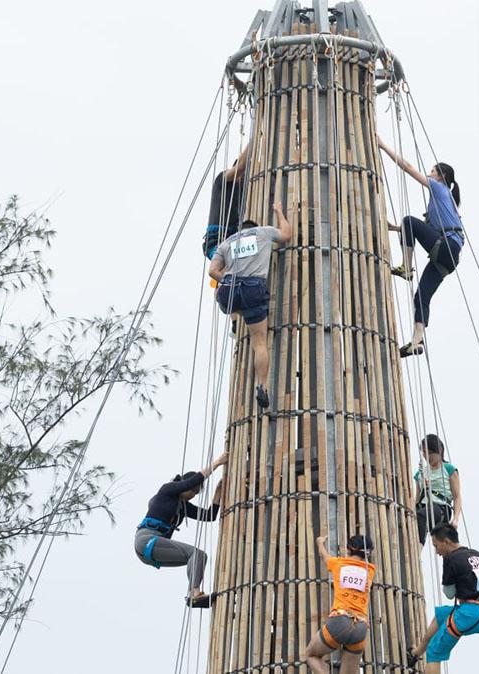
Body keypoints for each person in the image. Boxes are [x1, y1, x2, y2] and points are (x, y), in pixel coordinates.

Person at [375, 135, 464, 358]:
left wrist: (383, 146)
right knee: (421, 295)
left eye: (432, 172)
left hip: (446, 246)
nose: (429, 174)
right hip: (448, 255)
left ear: (441, 176)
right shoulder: (444, 203)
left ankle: (406, 267)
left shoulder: (439, 189)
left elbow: (407, 167)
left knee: (408, 220)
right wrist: (394, 228)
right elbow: (420, 231)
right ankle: (416, 342)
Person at [208, 204, 295, 409]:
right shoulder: (264, 232)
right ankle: (262, 386)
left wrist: (229, 280)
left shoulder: (227, 243)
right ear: (253, 227)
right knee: (259, 341)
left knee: (223, 296)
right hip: (253, 288)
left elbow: (212, 271)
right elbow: (286, 235)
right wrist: (279, 212)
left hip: (229, 289)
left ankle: (236, 319)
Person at [134, 451, 229, 608]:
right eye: (192, 490)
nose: (192, 495)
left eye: (196, 493)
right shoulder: (168, 490)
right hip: (147, 540)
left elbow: (209, 515)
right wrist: (217, 463)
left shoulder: (183, 506)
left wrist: (219, 492)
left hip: (149, 553)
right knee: (196, 554)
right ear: (185, 484)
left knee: (198, 558)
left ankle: (194, 594)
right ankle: (195, 593)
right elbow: (194, 480)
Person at [408, 523, 479, 672]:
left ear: (446, 542)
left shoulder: (451, 559)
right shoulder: (476, 554)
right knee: (441, 614)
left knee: (435, 652)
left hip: (468, 614)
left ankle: (424, 654)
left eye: (436, 546)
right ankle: (415, 653)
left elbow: (449, 594)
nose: (437, 552)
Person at [301, 533, 378, 674]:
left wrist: (320, 542)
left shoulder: (339, 564)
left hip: (340, 621)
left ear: (350, 548)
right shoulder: (370, 570)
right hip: (361, 626)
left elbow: (324, 556)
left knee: (311, 655)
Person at [411, 434, 463, 546]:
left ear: (439, 451)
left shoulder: (448, 469)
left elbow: (457, 496)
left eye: (430, 453)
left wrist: (455, 519)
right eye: (424, 453)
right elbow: (417, 498)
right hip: (423, 507)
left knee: (422, 517)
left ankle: (418, 546)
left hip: (440, 508)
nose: (427, 456)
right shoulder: (420, 474)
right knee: (414, 517)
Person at [202, 144, 250, 261]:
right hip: (216, 242)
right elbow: (240, 168)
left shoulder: (244, 195)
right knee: (225, 264)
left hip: (233, 243)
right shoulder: (222, 180)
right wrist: (253, 141)